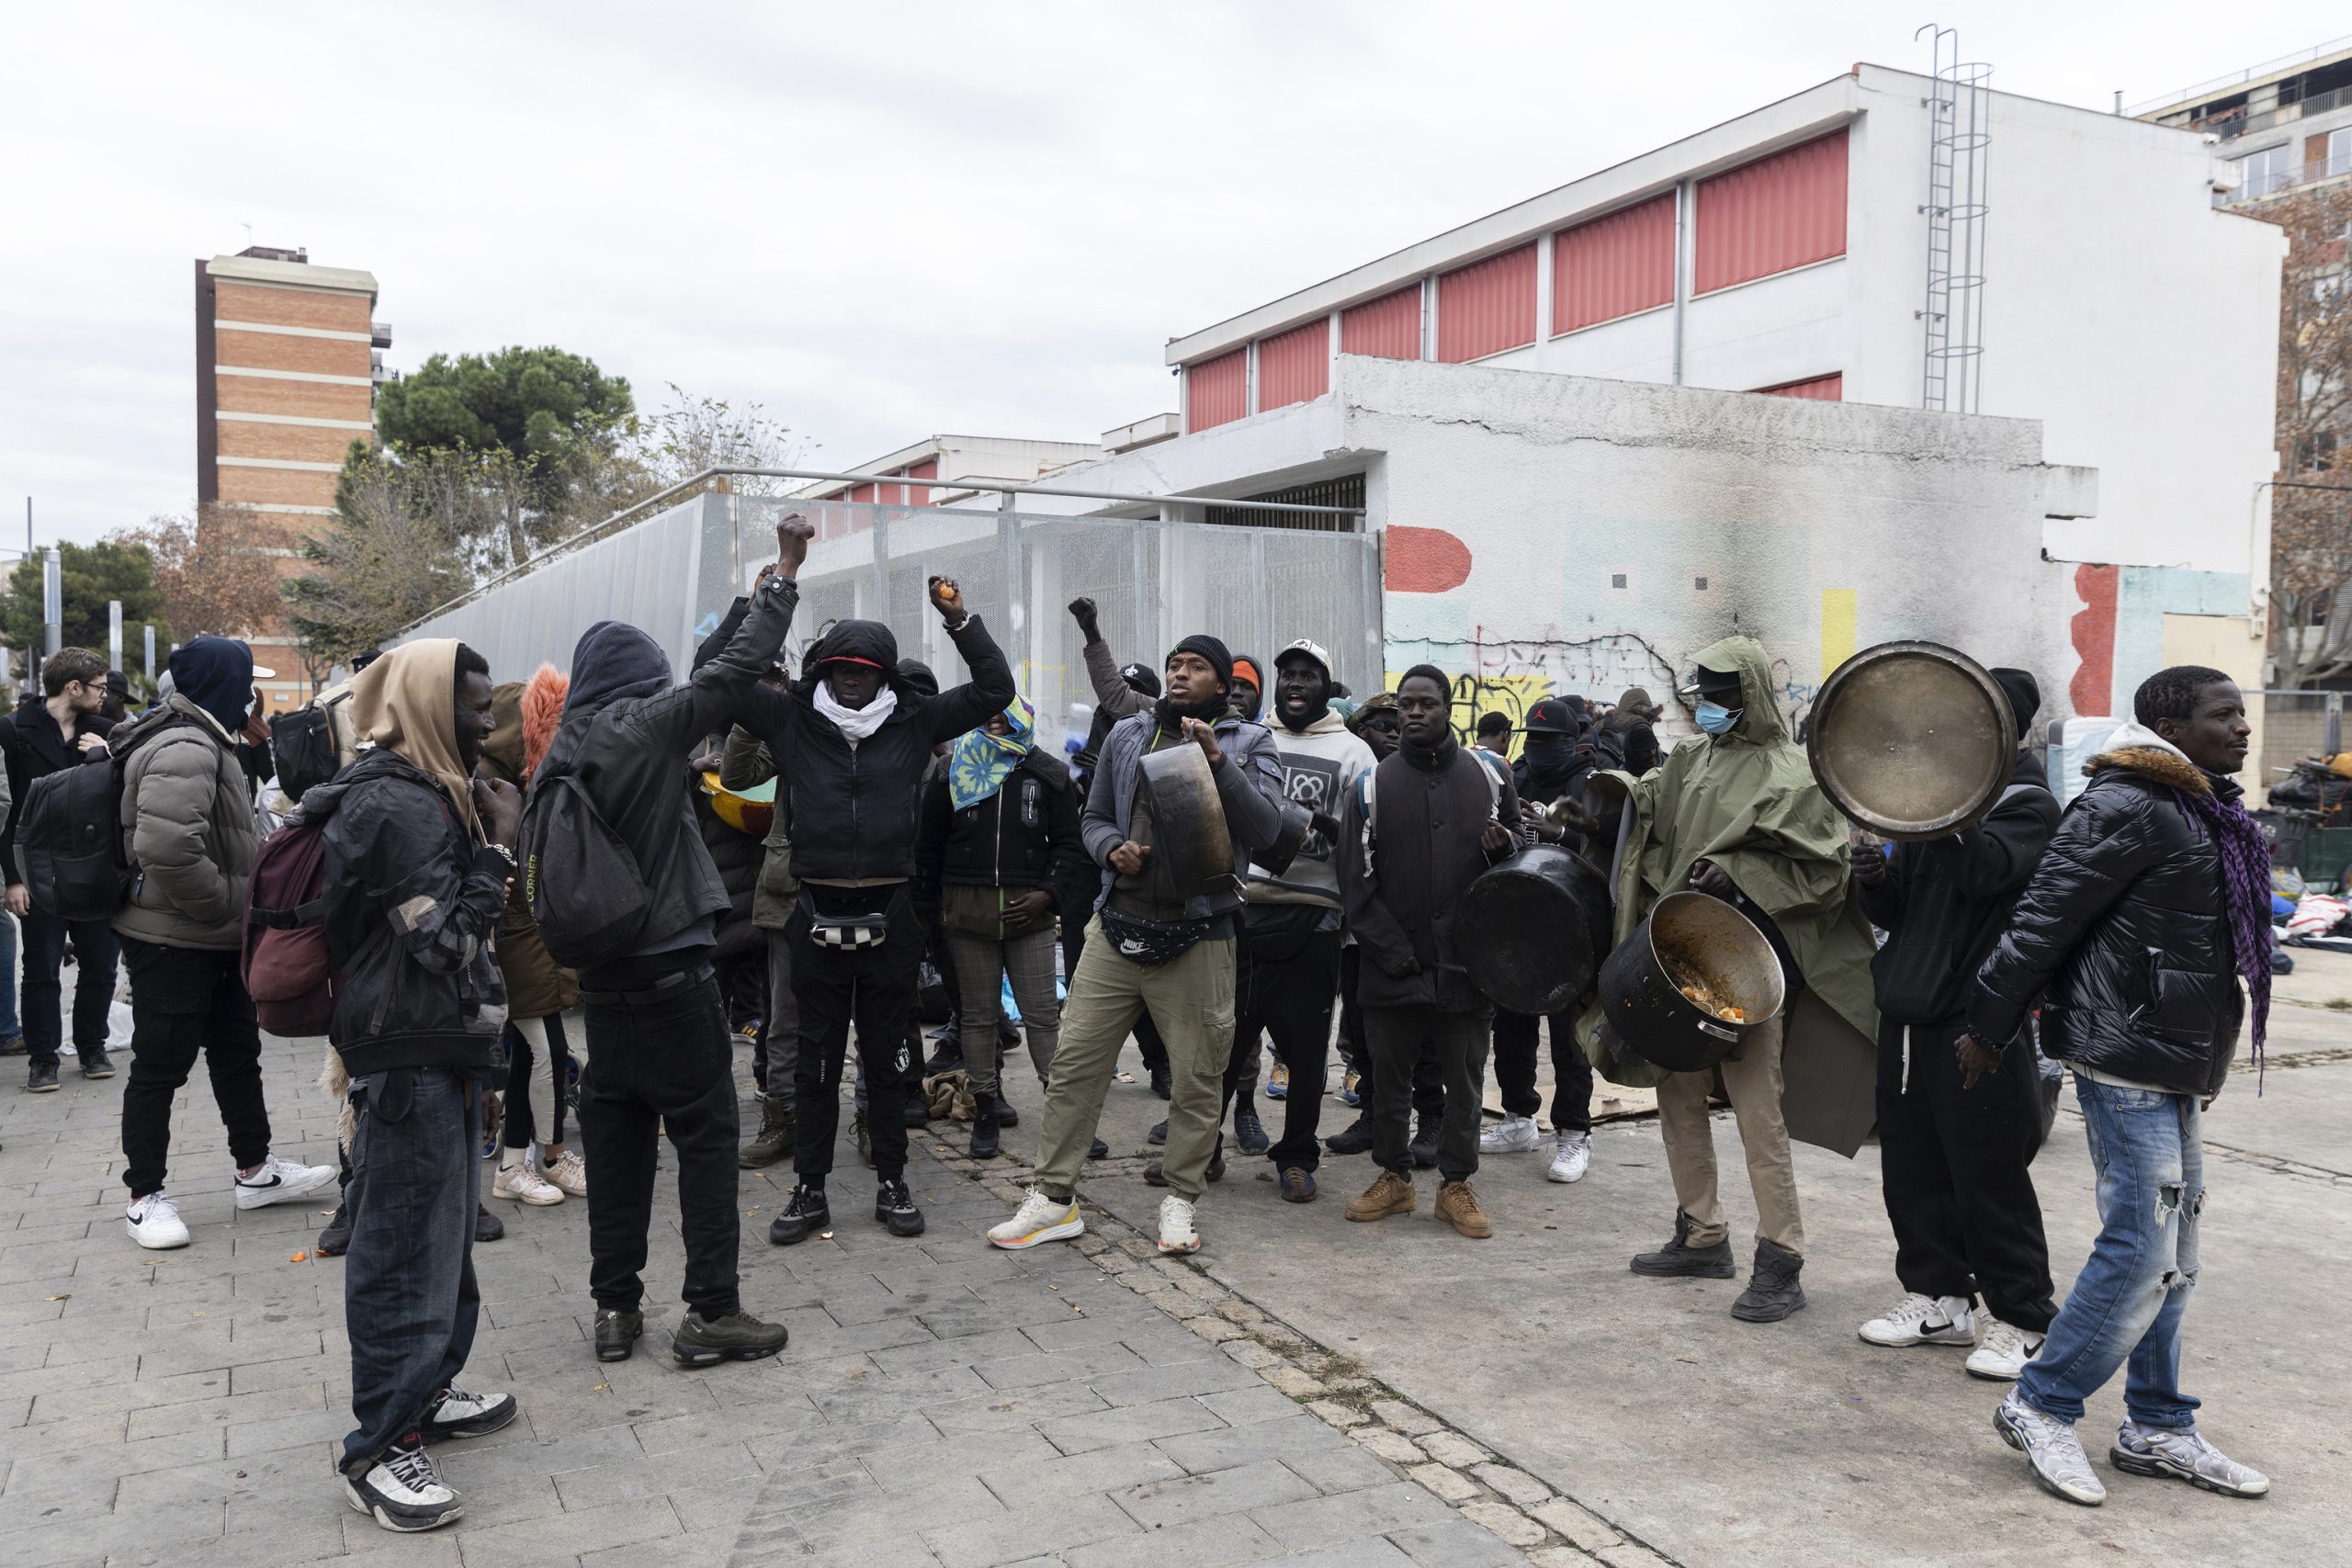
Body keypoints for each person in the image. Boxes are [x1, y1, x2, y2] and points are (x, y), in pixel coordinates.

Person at [1973, 667, 2271, 1507]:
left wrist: (2205, 1059)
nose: (2242, 728)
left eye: (2242, 714)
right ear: (2169, 722)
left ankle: (2157, 1425)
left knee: (2176, 1256)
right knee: (2141, 1248)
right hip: (2123, 1051)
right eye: (2225, 715)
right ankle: (2040, 1403)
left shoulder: (2202, 805)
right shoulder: (2125, 802)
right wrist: (1987, 1027)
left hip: (2173, 1056)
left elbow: (2201, 948)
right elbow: (2040, 919)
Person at [543, 519, 808, 1367]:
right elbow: (724, 676)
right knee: (704, 1137)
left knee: (617, 1144)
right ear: (642, 683)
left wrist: (750, 589)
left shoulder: (563, 748)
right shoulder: (640, 732)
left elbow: (704, 671)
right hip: (670, 974)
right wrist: (786, 575)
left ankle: (615, 1311)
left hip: (601, 985)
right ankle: (711, 1314)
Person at [721, 570, 1012, 1249]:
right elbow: (724, 681)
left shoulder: (913, 724)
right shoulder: (793, 720)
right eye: (841, 669)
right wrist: (765, 597)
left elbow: (995, 689)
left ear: (885, 676)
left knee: (887, 1062)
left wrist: (960, 617)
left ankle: (892, 1180)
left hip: (891, 914)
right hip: (813, 910)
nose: (853, 681)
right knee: (816, 1062)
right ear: (824, 669)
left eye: (866, 671)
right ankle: (811, 1189)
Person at [308, 639, 520, 1532]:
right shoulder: (396, 805)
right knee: (400, 1252)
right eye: (472, 707)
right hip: (408, 1053)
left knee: (441, 1243)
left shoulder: (423, 794)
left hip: (438, 1047)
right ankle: (379, 1448)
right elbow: (441, 943)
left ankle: (425, 1393)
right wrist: (498, 855)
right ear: (429, 707)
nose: (486, 722)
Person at [988, 633, 1284, 1256]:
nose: (1179, 674)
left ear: (1222, 685)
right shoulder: (1127, 734)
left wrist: (1219, 763)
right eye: (1174, 664)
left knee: (1198, 1079)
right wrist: (1109, 850)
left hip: (1201, 935)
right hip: (1117, 927)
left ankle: (1179, 1200)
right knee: (1074, 1065)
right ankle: (1053, 1198)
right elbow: (1091, 818)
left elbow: (1267, 831)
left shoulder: (1250, 742)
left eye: (1195, 667)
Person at [1623, 637, 1878, 1323]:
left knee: (1759, 1116)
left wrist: (1742, 874)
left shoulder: (1795, 775)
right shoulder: (1688, 759)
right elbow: (1651, 824)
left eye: (1723, 693)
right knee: (1675, 1096)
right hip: (1676, 963)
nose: (1710, 704)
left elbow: (1825, 874)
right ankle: (1702, 1233)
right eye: (1701, 691)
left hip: (1748, 971)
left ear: (1755, 693)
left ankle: (1781, 1257)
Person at [1849, 666, 2059, 1381]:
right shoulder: (1932, 802)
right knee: (1912, 1166)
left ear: (2008, 729)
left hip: (1978, 1024)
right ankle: (1940, 1296)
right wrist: (1873, 875)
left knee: (1987, 1173)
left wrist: (1938, 811)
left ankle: (2024, 1318)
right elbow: (1899, 912)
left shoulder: (2028, 803)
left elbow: (1985, 872)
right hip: (1909, 1011)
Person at [115, 637, 335, 1250]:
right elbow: (165, 848)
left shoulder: (208, 737)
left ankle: (255, 1169)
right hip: (173, 937)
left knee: (236, 1051)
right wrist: (230, 905)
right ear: (223, 683)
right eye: (244, 681)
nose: (251, 695)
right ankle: (144, 1196)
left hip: (208, 937)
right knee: (161, 1064)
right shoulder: (186, 745)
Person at [1336, 665, 1521, 1238]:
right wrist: (1392, 950)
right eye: (1406, 706)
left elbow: (1521, 864)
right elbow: (1353, 882)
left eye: (1426, 704)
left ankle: (1455, 1185)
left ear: (1447, 711)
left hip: (1466, 967)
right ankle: (1393, 1178)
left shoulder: (1489, 776)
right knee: (1387, 1078)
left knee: (1464, 1082)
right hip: (1392, 964)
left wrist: (1503, 848)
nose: (1414, 713)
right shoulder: (1372, 784)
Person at [1227, 638, 1374, 1203]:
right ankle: (1201, 1150)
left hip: (1313, 919)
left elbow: (1366, 840)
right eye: (1287, 673)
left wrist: (1319, 824)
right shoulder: (1248, 740)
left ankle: (1295, 1157)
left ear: (1325, 686)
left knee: (1307, 1051)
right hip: (1240, 910)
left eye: (1307, 675)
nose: (1294, 683)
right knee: (1222, 1044)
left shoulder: (1355, 752)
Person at [914, 697, 1085, 1158]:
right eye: (987, 712)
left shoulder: (1047, 773)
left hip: (1029, 917)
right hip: (965, 917)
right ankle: (984, 1108)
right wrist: (928, 917)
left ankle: (1065, 1118)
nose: (995, 720)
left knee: (1043, 1017)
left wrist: (1047, 894)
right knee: (979, 1017)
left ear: (1024, 718)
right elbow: (927, 848)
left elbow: (1071, 844)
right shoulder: (952, 769)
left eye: (1005, 714)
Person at [479, 674, 586, 1209]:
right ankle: (544, 1156)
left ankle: (517, 1162)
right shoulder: (499, 789)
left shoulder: (519, 781)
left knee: (530, 1053)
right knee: (547, 1051)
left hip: (527, 933)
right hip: (514, 936)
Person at [1483, 696, 1599, 1183]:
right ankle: (1518, 1118)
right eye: (1536, 740)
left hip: (1575, 928)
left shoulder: (1593, 783)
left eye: (1552, 741)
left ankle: (1573, 1132)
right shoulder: (1520, 776)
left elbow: (1614, 846)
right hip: (1522, 922)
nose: (1543, 749)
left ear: (1572, 741)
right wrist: (1506, 839)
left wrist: (1563, 834)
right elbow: (1508, 832)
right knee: (1511, 1027)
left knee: (1569, 1038)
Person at [1325, 693, 1444, 1162]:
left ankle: (1432, 1118)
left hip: (1418, 936)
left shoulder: (1425, 782)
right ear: (1360, 732)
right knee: (1363, 1031)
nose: (1393, 732)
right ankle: (1374, 1115)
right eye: (1379, 725)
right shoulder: (1358, 782)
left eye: (1397, 724)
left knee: (1427, 1034)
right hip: (1360, 934)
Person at [1067, 596, 1175, 1099]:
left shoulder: (1179, 734)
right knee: (1090, 980)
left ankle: (1162, 1065)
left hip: (1152, 886)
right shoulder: (1085, 756)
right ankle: (1088, 1069)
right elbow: (1088, 820)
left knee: (1153, 985)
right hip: (1095, 879)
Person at [1, 648, 121, 1089]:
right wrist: (12, 878)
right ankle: (43, 1058)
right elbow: (6, 811)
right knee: (41, 968)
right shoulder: (13, 731)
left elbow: (127, 794)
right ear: (74, 687)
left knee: (101, 965)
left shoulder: (108, 732)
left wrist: (111, 754)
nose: (104, 694)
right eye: (99, 687)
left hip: (96, 869)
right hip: (39, 870)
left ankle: (92, 1046)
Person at [719, 660, 801, 1169]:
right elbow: (737, 773)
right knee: (784, 1020)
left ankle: (868, 1118)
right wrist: (756, 706)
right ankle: (782, 1120)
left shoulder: (874, 728)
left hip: (860, 891)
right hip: (790, 892)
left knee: (870, 1019)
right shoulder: (790, 726)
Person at [1600, 686, 1663, 776]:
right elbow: (1656, 753)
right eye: (1648, 706)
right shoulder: (1640, 724)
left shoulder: (1603, 722)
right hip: (1634, 777)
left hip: (1606, 773)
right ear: (1642, 707)